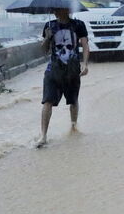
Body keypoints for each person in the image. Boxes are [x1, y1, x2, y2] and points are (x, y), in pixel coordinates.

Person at [38, 8, 89, 147]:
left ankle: (73, 126)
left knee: (73, 100)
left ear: (67, 10)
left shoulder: (78, 25)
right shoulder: (49, 26)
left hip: (72, 69)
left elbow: (85, 45)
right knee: (47, 101)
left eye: (58, 10)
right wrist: (47, 37)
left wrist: (84, 63)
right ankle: (43, 135)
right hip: (53, 70)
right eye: (54, 10)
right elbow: (43, 51)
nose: (55, 12)